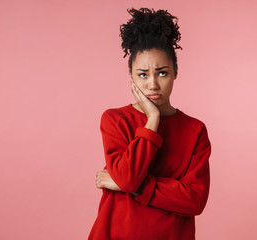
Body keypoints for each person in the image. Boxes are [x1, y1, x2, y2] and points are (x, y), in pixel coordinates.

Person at [88, 7, 211, 240]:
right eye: (143, 74)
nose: (153, 84)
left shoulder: (195, 130)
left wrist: (134, 188)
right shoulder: (115, 120)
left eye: (162, 73)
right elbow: (127, 178)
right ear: (131, 76)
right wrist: (152, 120)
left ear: (175, 72)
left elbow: (195, 200)